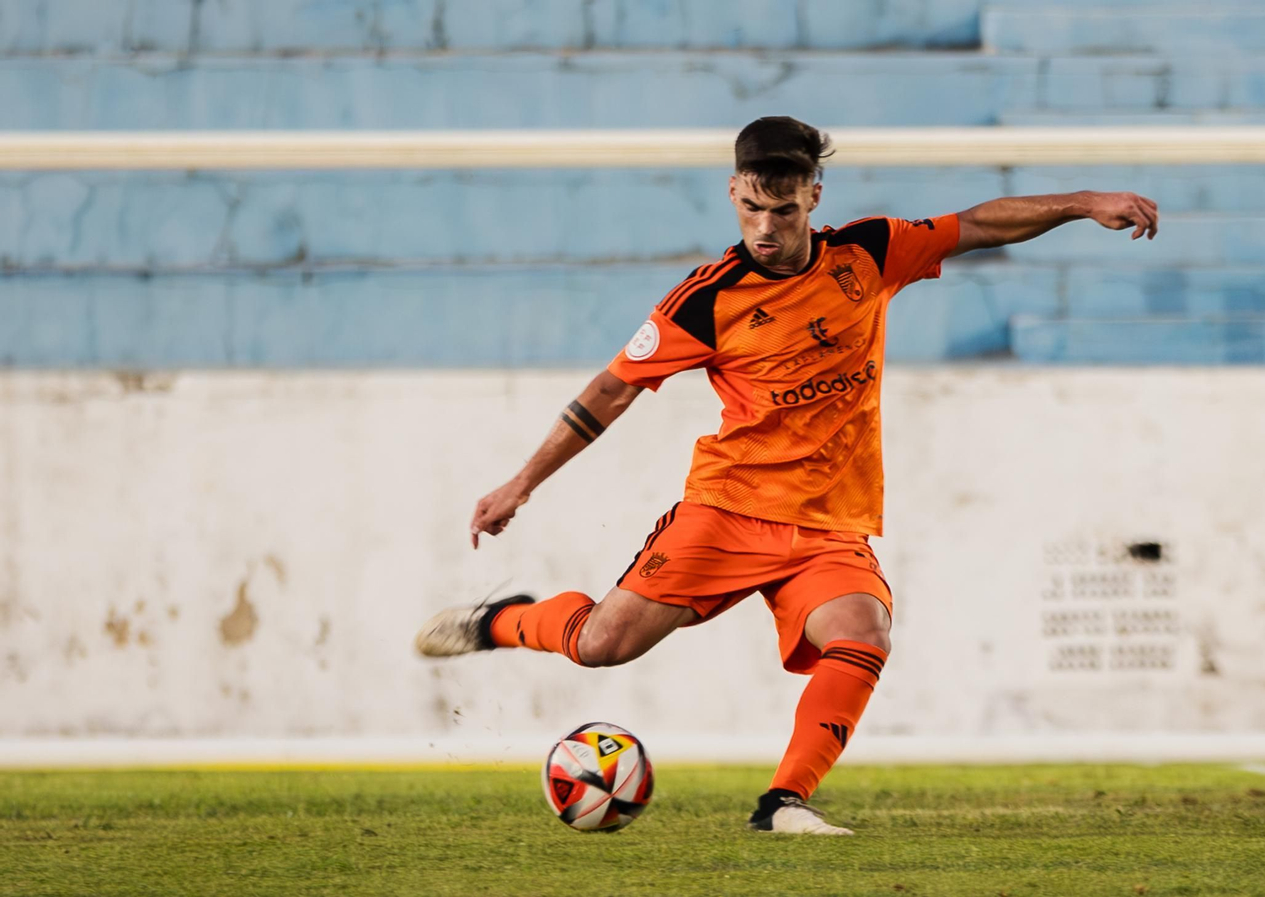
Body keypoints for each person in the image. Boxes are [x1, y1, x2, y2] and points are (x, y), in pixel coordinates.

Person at [415, 115, 1159, 835]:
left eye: (783, 210)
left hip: (830, 523)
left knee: (863, 632)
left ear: (813, 198)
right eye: (751, 207)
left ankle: (783, 801)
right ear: (732, 192)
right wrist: (522, 482)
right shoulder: (705, 299)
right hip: (728, 509)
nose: (765, 228)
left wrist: (1083, 202)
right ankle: (500, 621)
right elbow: (611, 390)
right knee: (602, 645)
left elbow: (979, 224)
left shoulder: (869, 254)